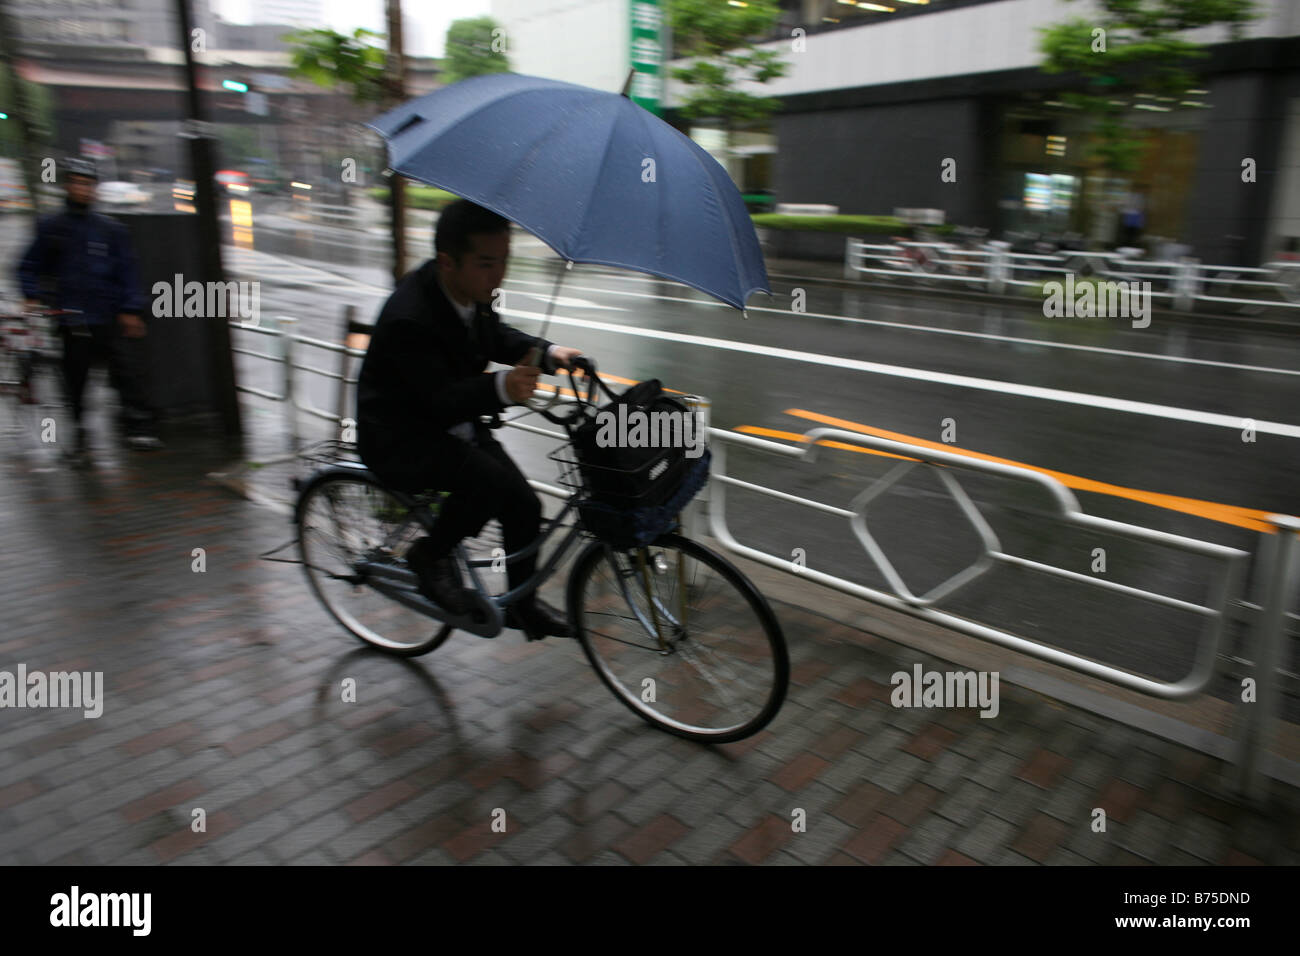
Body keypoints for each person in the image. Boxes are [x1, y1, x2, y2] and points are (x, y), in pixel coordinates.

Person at [356, 200, 582, 641]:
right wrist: (502, 388)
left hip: (452, 425)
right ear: (447, 261)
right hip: (401, 437)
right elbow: (438, 399)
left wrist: (549, 353)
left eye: (504, 262)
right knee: (489, 484)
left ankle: (521, 606)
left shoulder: (469, 291)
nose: (498, 275)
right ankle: (428, 556)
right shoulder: (410, 316)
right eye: (486, 263)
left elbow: (493, 335)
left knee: (526, 505)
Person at [16, 156, 159, 462]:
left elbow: (128, 270)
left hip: (108, 316)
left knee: (126, 374)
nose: (83, 189)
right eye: (77, 183)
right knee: (75, 380)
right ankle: (79, 436)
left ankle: (138, 427)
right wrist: (32, 295)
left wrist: (131, 308)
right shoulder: (53, 227)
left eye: (88, 184)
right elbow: (28, 265)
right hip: (72, 318)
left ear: (95, 189)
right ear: (67, 186)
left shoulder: (111, 230)